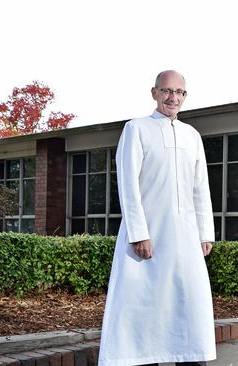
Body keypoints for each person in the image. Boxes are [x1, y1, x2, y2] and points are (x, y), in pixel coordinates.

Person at [98, 70, 215, 366]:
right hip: (148, 236)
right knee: (143, 308)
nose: (173, 98)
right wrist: (138, 233)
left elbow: (201, 187)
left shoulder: (192, 135)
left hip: (186, 237)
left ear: (185, 96)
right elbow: (128, 184)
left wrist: (206, 233)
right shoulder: (136, 129)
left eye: (179, 92)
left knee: (189, 305)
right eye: (166, 91)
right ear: (154, 93)